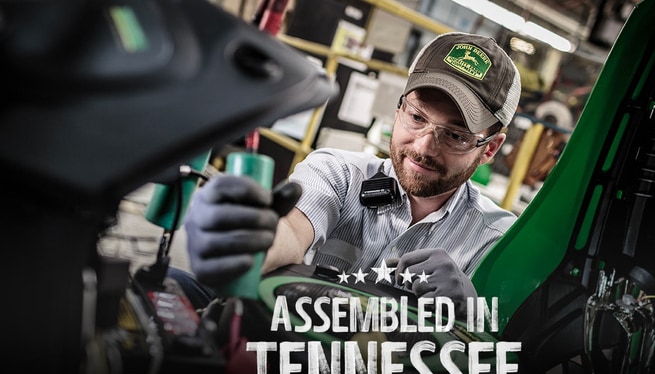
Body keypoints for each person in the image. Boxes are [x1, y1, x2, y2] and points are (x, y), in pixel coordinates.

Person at [182, 32, 522, 317]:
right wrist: (246, 241)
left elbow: (507, 351)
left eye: (455, 135)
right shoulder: (337, 173)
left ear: (489, 149)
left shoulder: (497, 242)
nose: (424, 146)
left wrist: (474, 316)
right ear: (399, 109)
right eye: (417, 117)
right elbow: (291, 231)